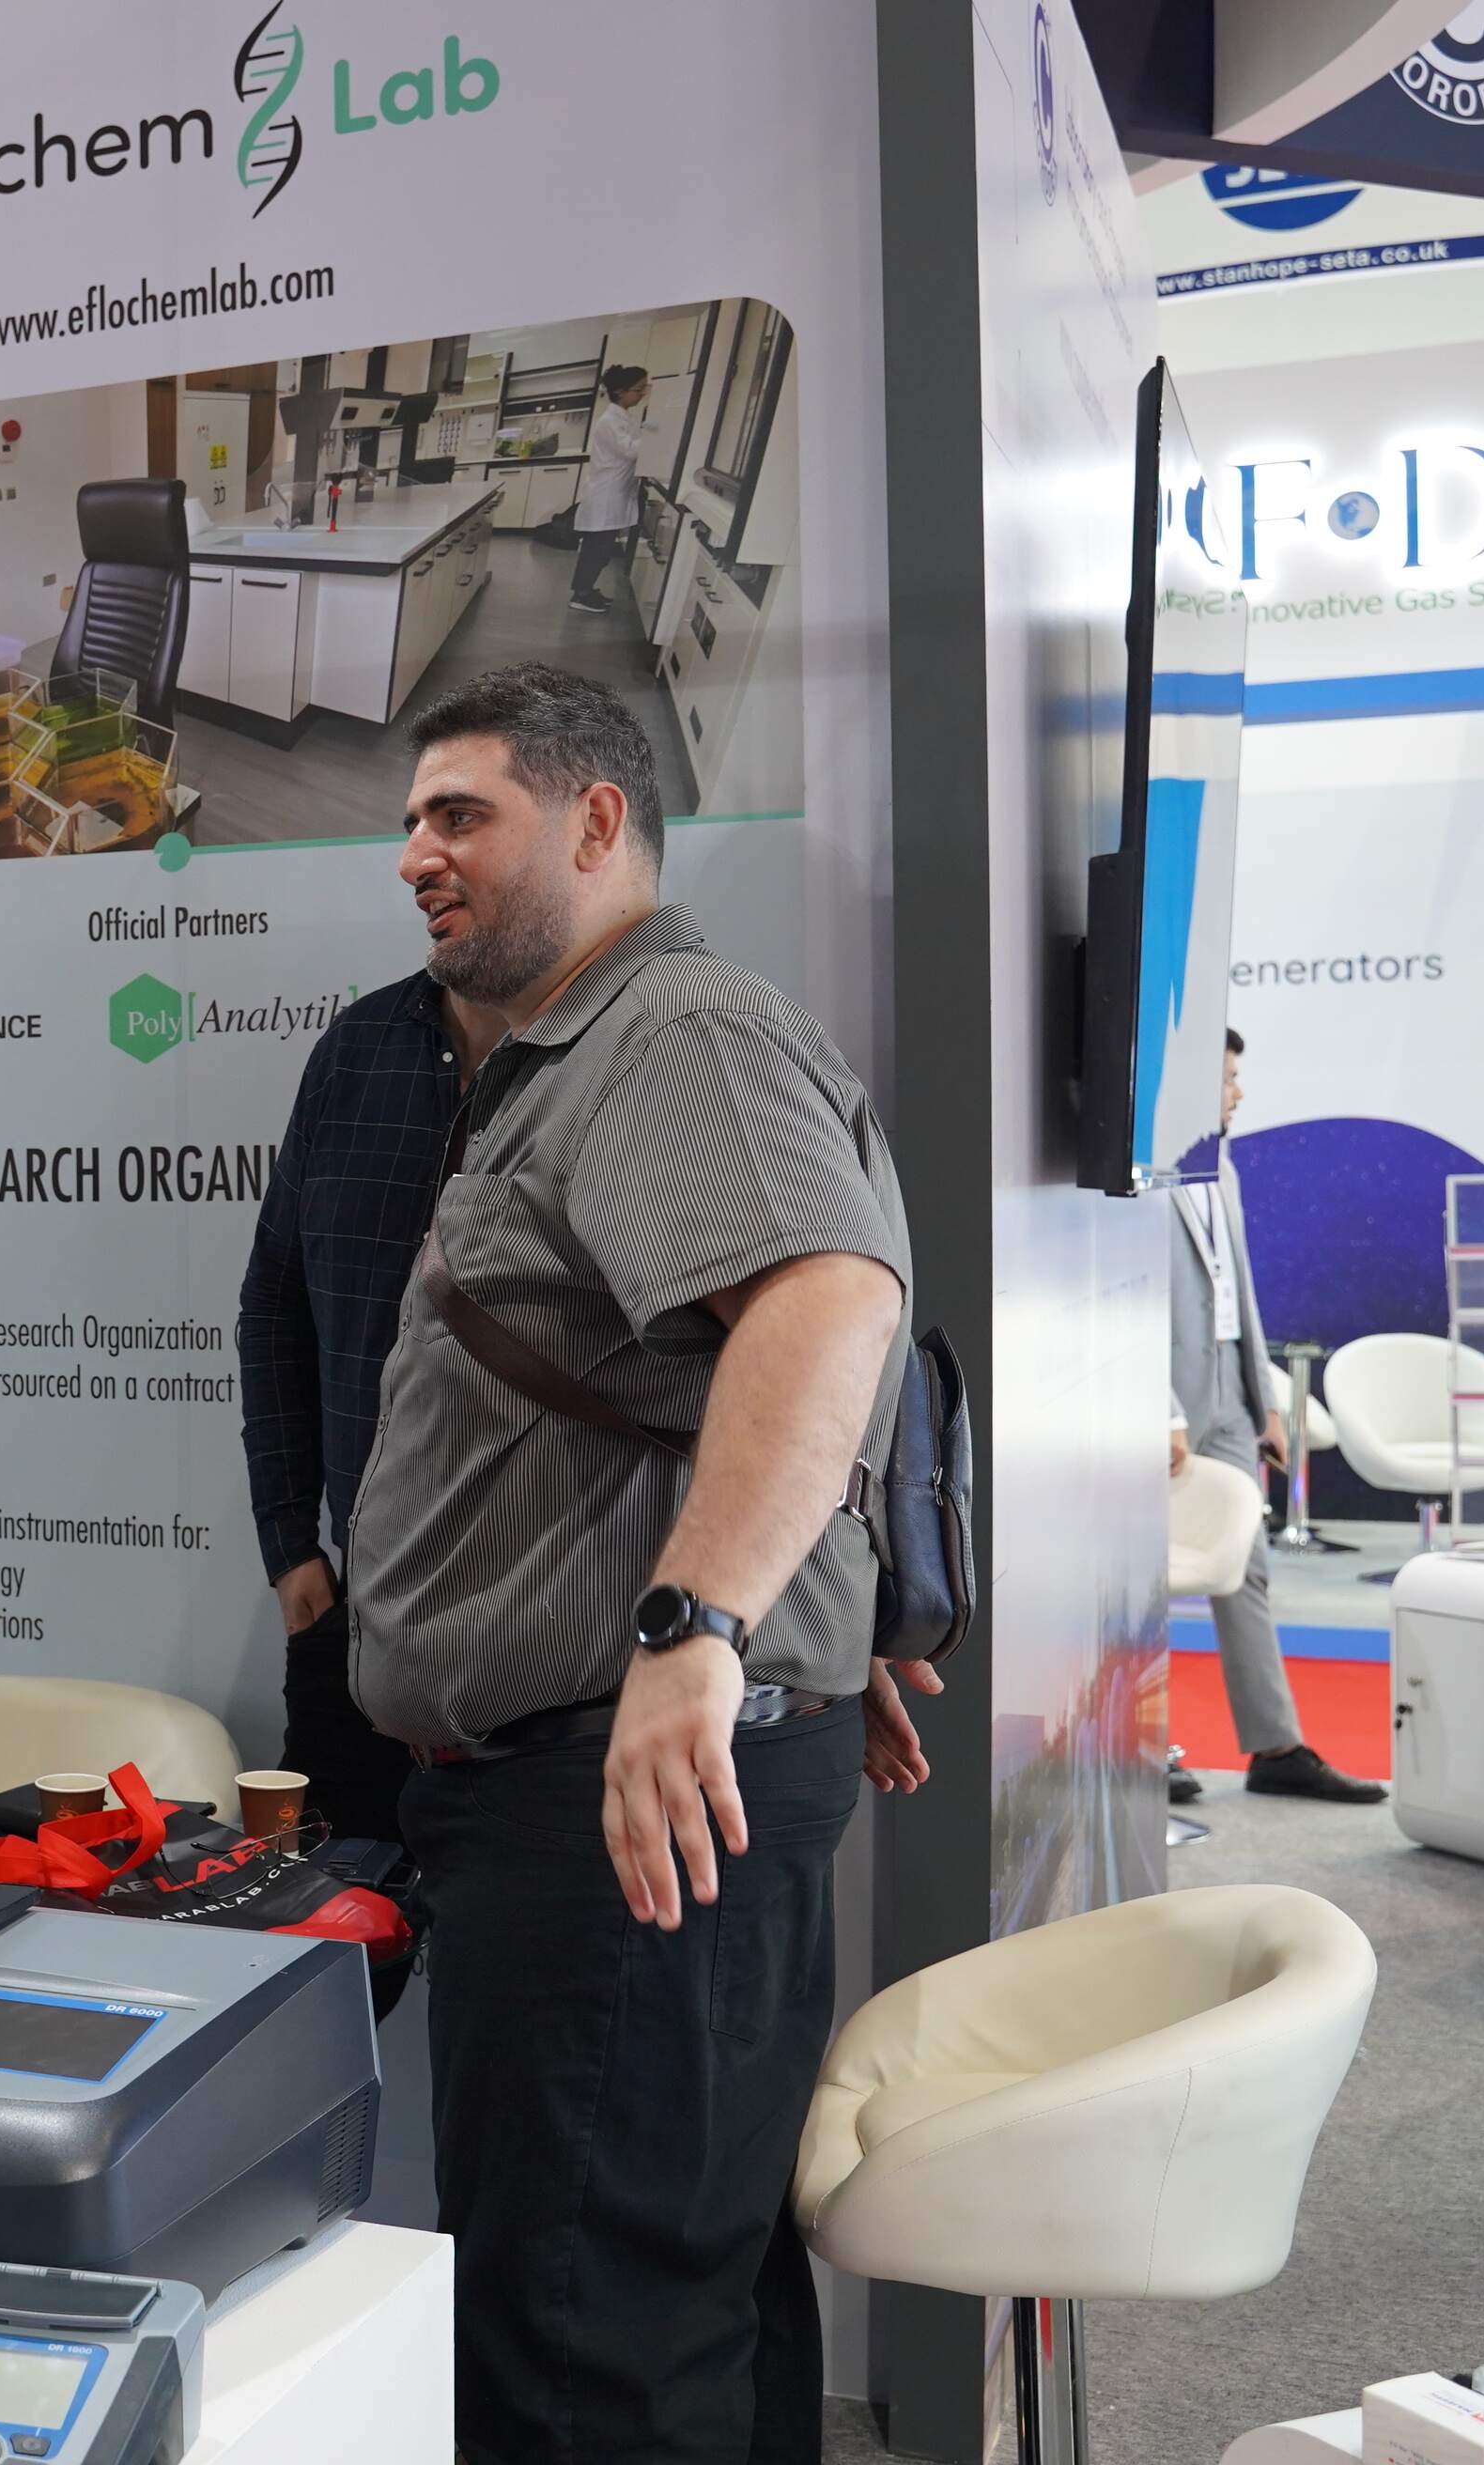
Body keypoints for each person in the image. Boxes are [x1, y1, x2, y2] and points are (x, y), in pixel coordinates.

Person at [346, 662, 941, 2464]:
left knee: (580, 2339)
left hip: (616, 1789)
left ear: (596, 821)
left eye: (461, 813)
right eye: (410, 820)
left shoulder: (669, 1032)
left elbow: (825, 1302)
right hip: (614, 1779)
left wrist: (701, 1626)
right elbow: (708, 1372)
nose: (417, 854)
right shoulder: (582, 1051)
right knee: (667, 2281)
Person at [236, 972, 510, 1845]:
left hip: (547, 1646)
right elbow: (276, 1301)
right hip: (359, 1622)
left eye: (461, 823)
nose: (425, 899)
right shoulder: (357, 1048)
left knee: (516, 1933)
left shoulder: (623, 1051)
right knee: (329, 1921)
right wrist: (289, 1544)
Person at [1172, 1026, 1384, 1804]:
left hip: (1231, 1397)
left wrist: (1263, 1404)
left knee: (1247, 1566)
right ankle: (1141, 1746)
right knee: (1137, 1580)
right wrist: (1161, 1410)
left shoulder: (1222, 1166)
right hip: (1158, 1407)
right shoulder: (1138, 1172)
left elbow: (1239, 1291)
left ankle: (1277, 1746)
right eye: (1227, 1077)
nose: (1238, 1092)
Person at [568, 364, 656, 613]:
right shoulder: (609, 421)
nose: (642, 394)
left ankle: (586, 589)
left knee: (602, 549)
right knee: (597, 549)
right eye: (638, 389)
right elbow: (629, 450)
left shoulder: (623, 417)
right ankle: (581, 594)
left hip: (614, 493)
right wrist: (654, 435)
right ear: (620, 391)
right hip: (606, 495)